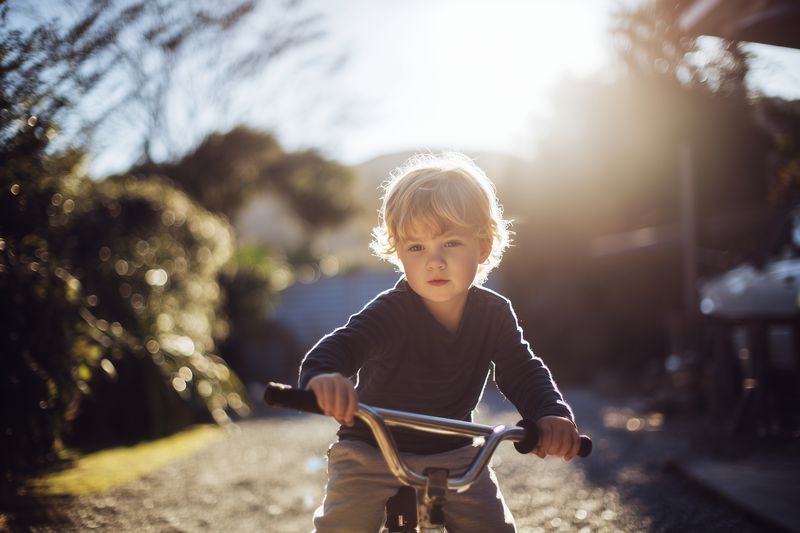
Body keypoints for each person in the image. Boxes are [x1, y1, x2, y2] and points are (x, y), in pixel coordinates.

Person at [299, 152, 580, 532]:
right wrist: (325, 377)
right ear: (399, 254)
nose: (434, 261)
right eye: (416, 247)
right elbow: (342, 347)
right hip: (372, 447)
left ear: (481, 248)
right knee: (343, 524)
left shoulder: (494, 314)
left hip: (456, 449)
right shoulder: (390, 311)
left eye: (450, 243)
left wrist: (551, 414)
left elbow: (522, 370)